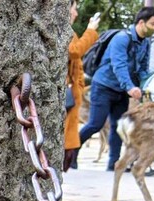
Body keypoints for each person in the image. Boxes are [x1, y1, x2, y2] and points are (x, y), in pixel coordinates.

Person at [78, 7, 154, 171]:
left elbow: (142, 69)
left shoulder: (145, 43)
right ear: (141, 22)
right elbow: (119, 65)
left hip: (121, 91)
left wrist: (145, 86)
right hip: (104, 86)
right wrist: (130, 87)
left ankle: (113, 164)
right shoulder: (121, 38)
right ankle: (69, 152)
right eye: (153, 24)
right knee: (96, 123)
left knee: (117, 126)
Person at [64, 2, 100, 171]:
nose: (76, 13)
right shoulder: (64, 32)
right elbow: (74, 51)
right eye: (74, 8)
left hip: (72, 93)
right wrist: (91, 30)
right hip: (67, 94)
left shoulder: (68, 31)